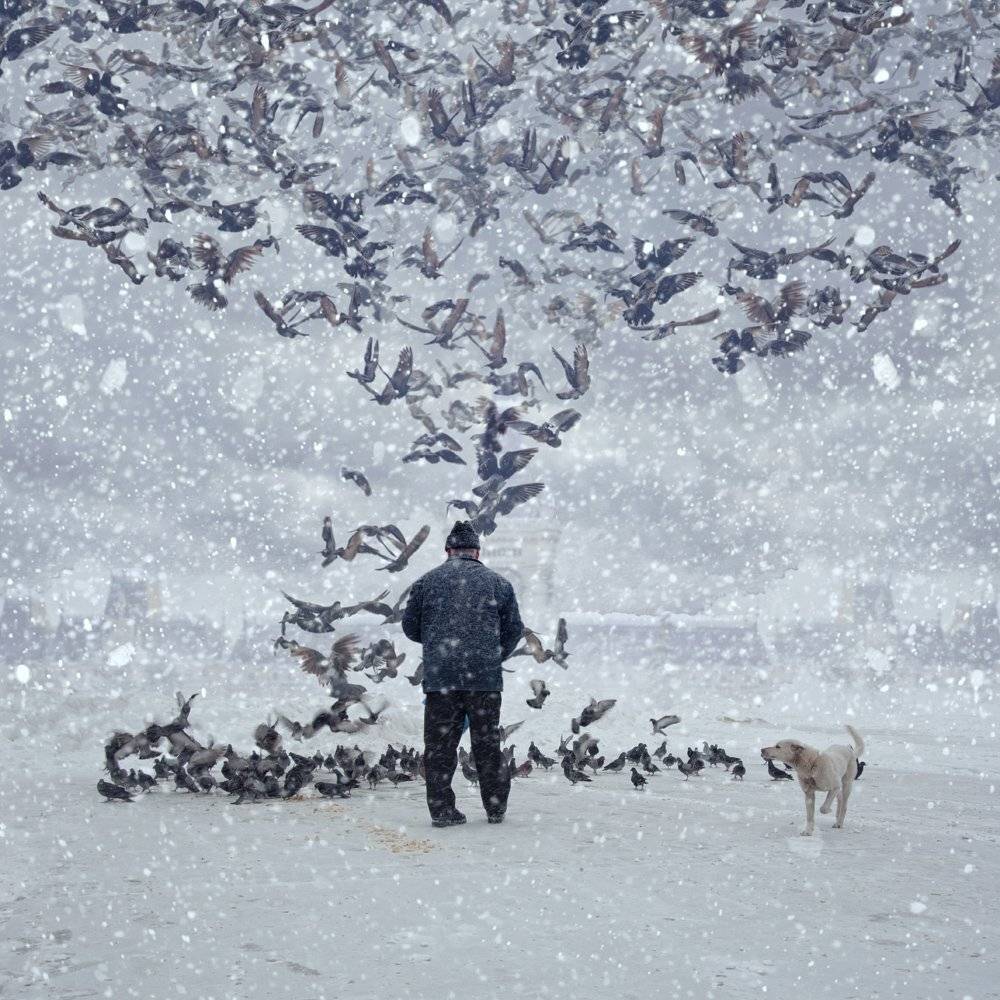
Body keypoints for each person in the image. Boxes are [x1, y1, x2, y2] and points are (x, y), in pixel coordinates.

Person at [401, 520, 524, 827]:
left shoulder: (426, 583)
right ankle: (495, 807)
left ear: (448, 551)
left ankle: (442, 811)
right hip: (484, 681)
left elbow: (409, 628)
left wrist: (438, 642)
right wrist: (493, 656)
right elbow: (514, 630)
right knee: (487, 744)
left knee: (439, 746)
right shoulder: (499, 584)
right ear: (477, 551)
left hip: (441, 679)